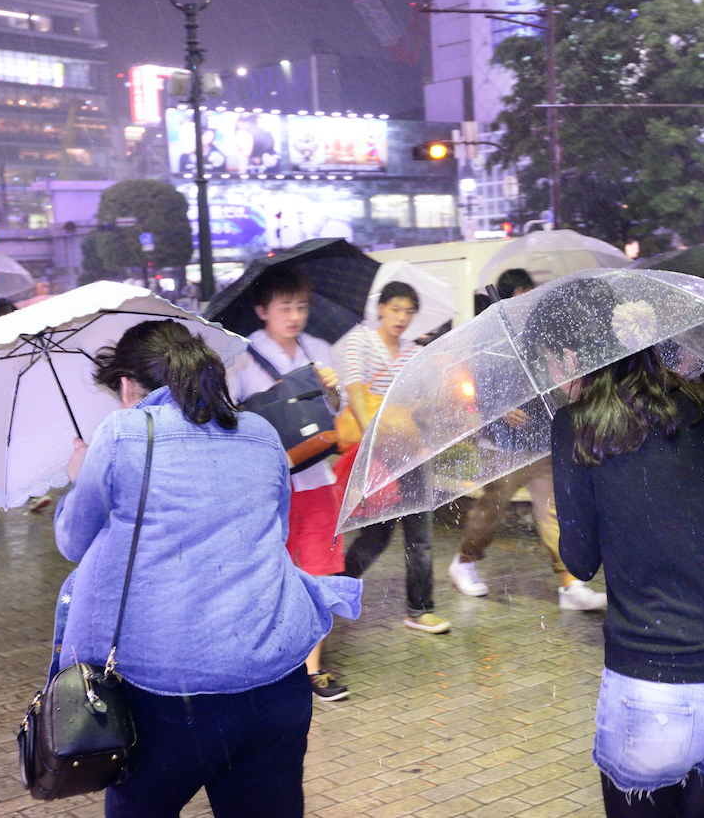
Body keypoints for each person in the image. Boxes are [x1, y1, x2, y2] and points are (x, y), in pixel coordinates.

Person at [56, 320, 361, 818]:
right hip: (276, 680)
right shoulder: (260, 433)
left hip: (174, 696)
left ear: (128, 386)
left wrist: (79, 476)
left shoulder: (122, 432)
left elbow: (72, 540)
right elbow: (275, 531)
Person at [536, 283, 704, 818]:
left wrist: (567, 501)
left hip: (653, 690)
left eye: (551, 364)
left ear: (574, 356)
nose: (553, 380)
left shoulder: (576, 426)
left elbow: (580, 561)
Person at [450, 269, 607, 610]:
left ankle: (569, 583)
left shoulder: (537, 331)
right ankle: (465, 560)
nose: (526, 301)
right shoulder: (488, 339)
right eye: (520, 294)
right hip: (503, 444)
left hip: (539, 438)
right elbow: (476, 385)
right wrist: (500, 409)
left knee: (551, 510)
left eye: (529, 293)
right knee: (492, 507)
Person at [226, 267, 349, 700]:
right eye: (285, 308)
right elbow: (227, 415)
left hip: (317, 478)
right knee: (271, 573)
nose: (294, 316)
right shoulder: (241, 356)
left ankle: (313, 668)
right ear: (261, 311)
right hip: (267, 487)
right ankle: (275, 662)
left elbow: (334, 414)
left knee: (318, 569)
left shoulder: (319, 349)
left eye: (301, 307)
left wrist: (332, 392)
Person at [339, 282, 452, 635]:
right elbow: (355, 391)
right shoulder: (362, 341)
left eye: (408, 311)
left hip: (411, 452)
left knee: (420, 536)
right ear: (382, 309)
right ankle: (333, 590)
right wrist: (370, 445)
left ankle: (420, 609)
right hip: (379, 455)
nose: (401, 317)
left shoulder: (411, 353)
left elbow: (418, 403)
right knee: (376, 537)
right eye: (395, 308)